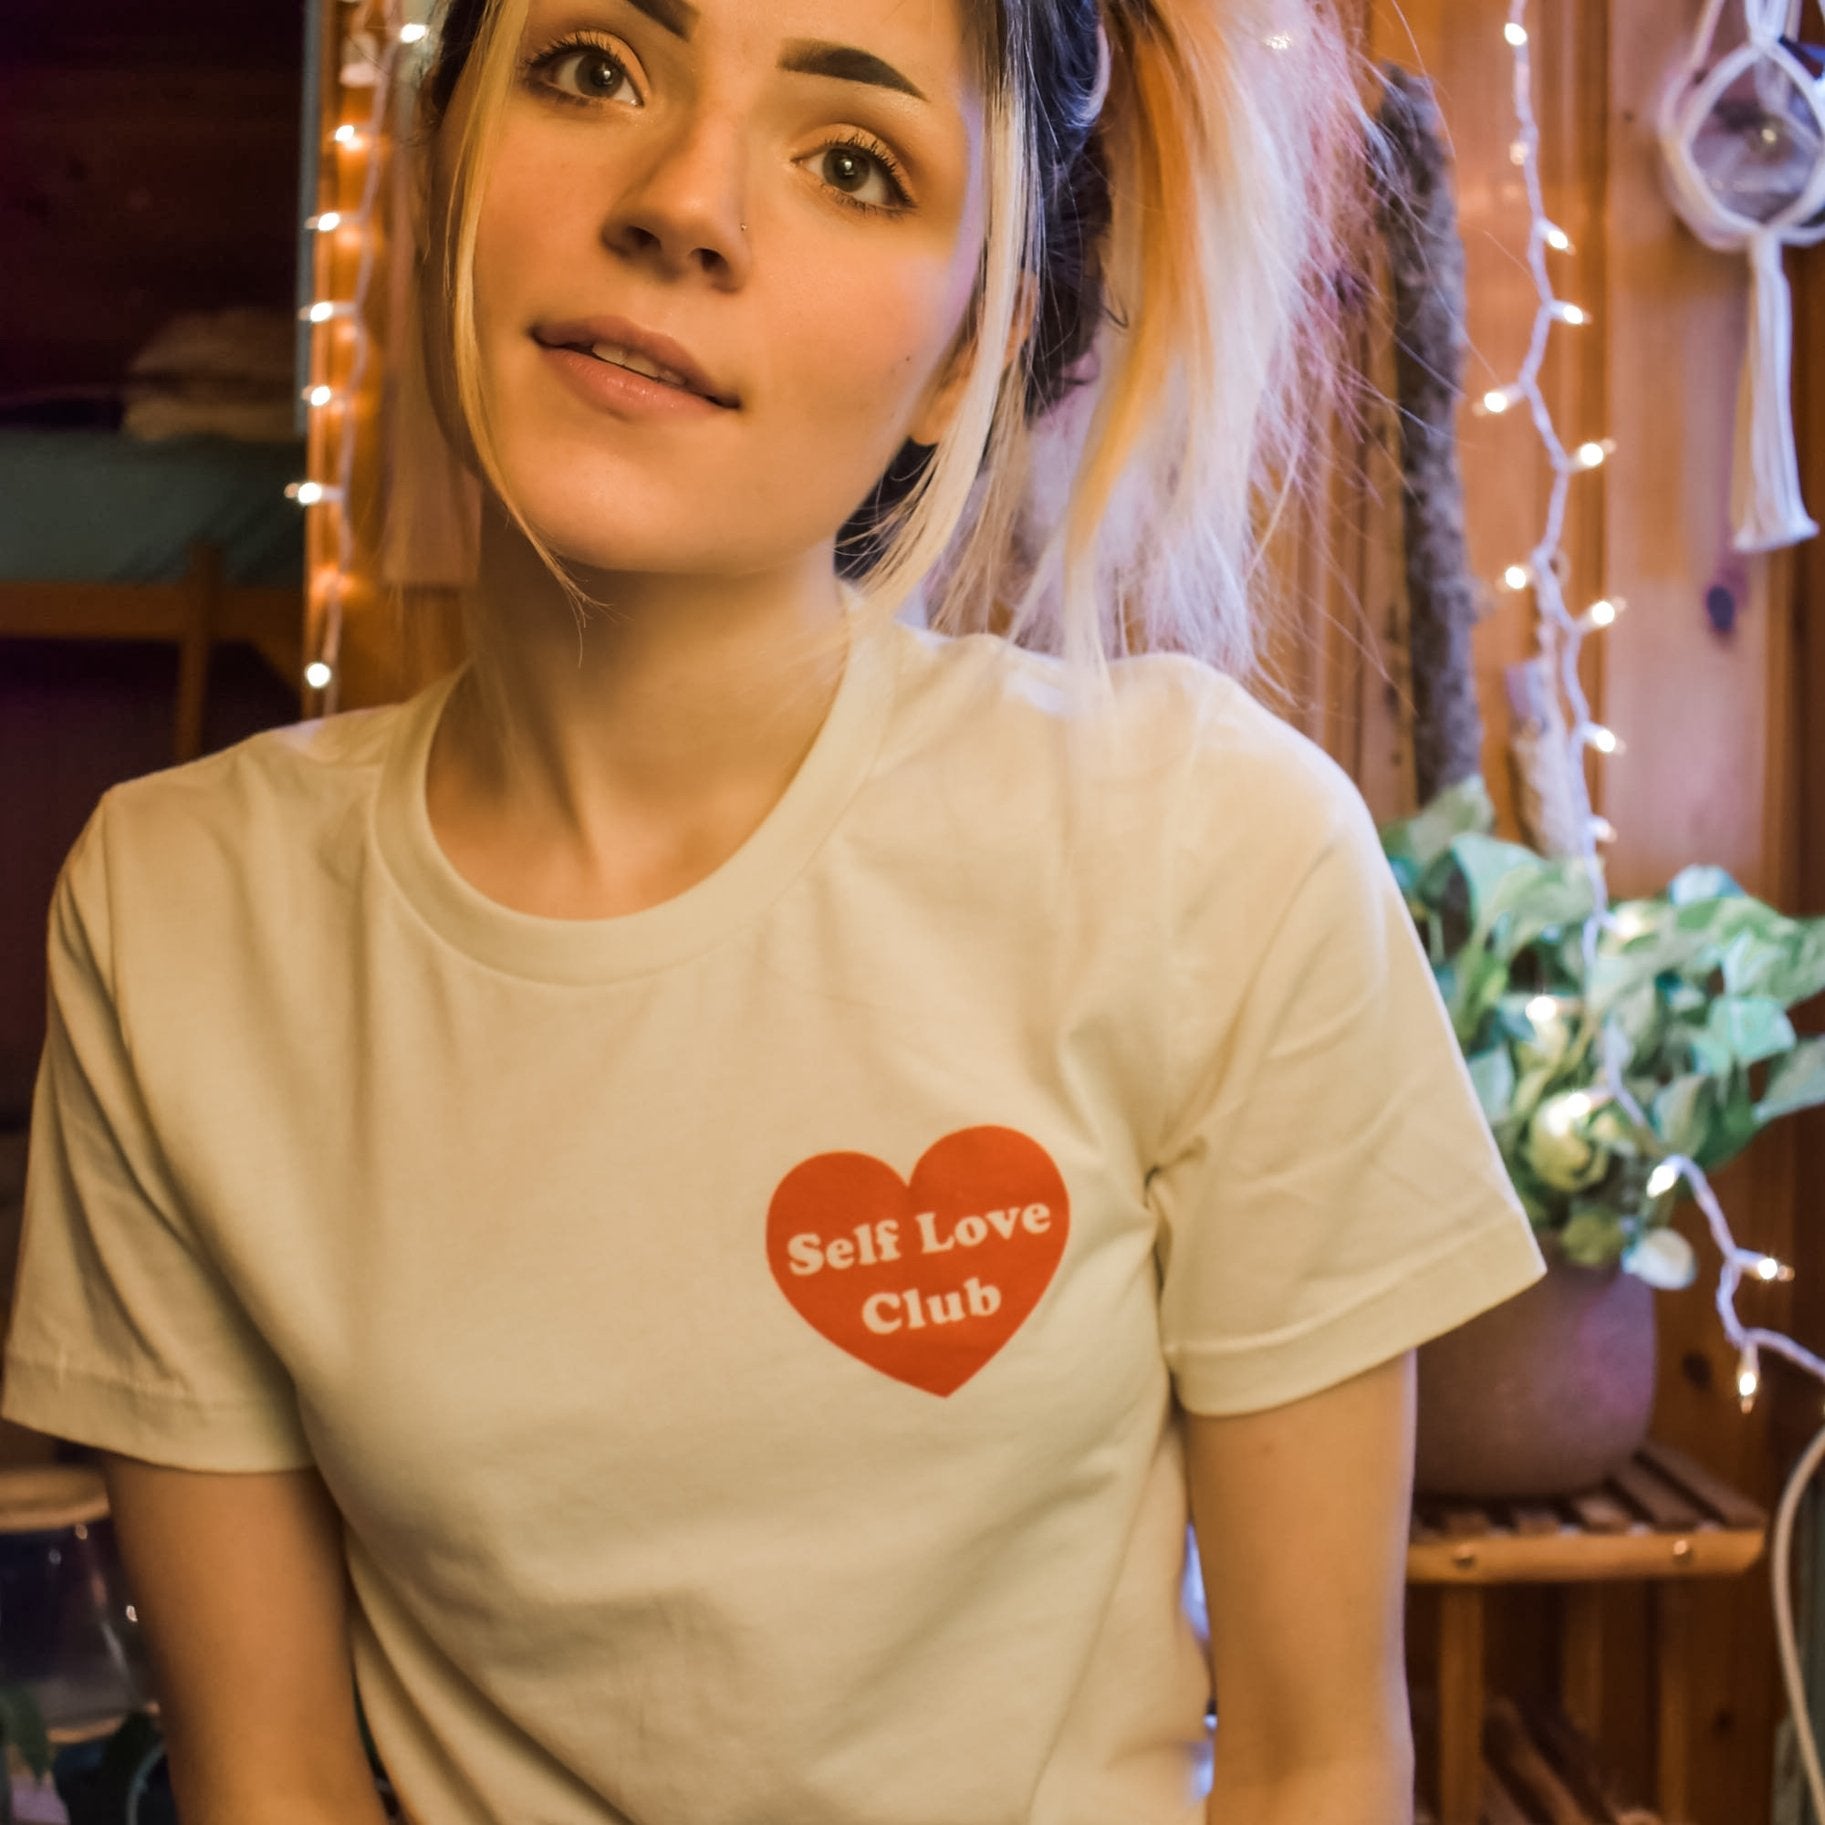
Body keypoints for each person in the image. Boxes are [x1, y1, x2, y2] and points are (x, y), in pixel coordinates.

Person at [0, 0, 1549, 1820]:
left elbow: (1319, 1769)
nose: (683, 202)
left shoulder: (1213, 855)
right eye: (591, 67)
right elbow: (276, 1789)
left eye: (850, 161)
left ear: (967, 354)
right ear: (439, 158)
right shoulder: (175, 915)